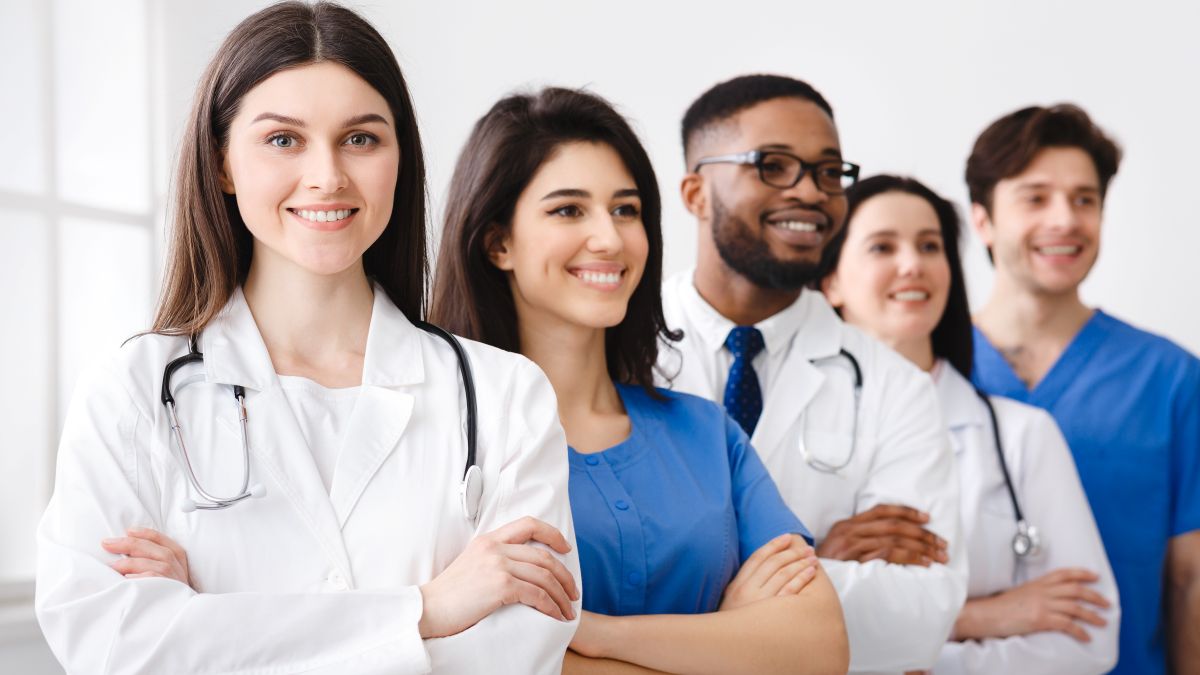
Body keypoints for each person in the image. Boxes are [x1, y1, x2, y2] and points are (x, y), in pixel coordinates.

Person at [34, 4, 580, 673]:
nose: (327, 175)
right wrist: (426, 608)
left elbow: (517, 654)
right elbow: (114, 644)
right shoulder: (133, 391)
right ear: (224, 163)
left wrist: (216, 612)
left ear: (399, 157)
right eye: (283, 140)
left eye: (361, 139)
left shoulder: (505, 397)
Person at [429, 86, 849, 675]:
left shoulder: (705, 432)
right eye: (568, 209)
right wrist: (730, 641)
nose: (610, 238)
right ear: (499, 243)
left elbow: (819, 646)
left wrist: (594, 634)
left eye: (626, 209)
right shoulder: (442, 438)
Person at [660, 73, 967, 672]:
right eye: (773, 165)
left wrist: (690, 590)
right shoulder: (617, 355)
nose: (810, 191)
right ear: (696, 193)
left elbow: (921, 619)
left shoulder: (893, 385)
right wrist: (818, 560)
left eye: (829, 172)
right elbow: (585, 585)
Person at [821, 174, 1119, 674]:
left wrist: (916, 659)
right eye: (882, 246)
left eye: (930, 245)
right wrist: (979, 618)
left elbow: (1090, 640)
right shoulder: (789, 428)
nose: (913, 264)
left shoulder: (1024, 434)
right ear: (829, 281)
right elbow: (764, 619)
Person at [965, 104, 1200, 675]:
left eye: (1085, 199)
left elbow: (1190, 578)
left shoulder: (1168, 377)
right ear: (983, 220)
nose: (1066, 220)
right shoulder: (931, 372)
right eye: (1036, 197)